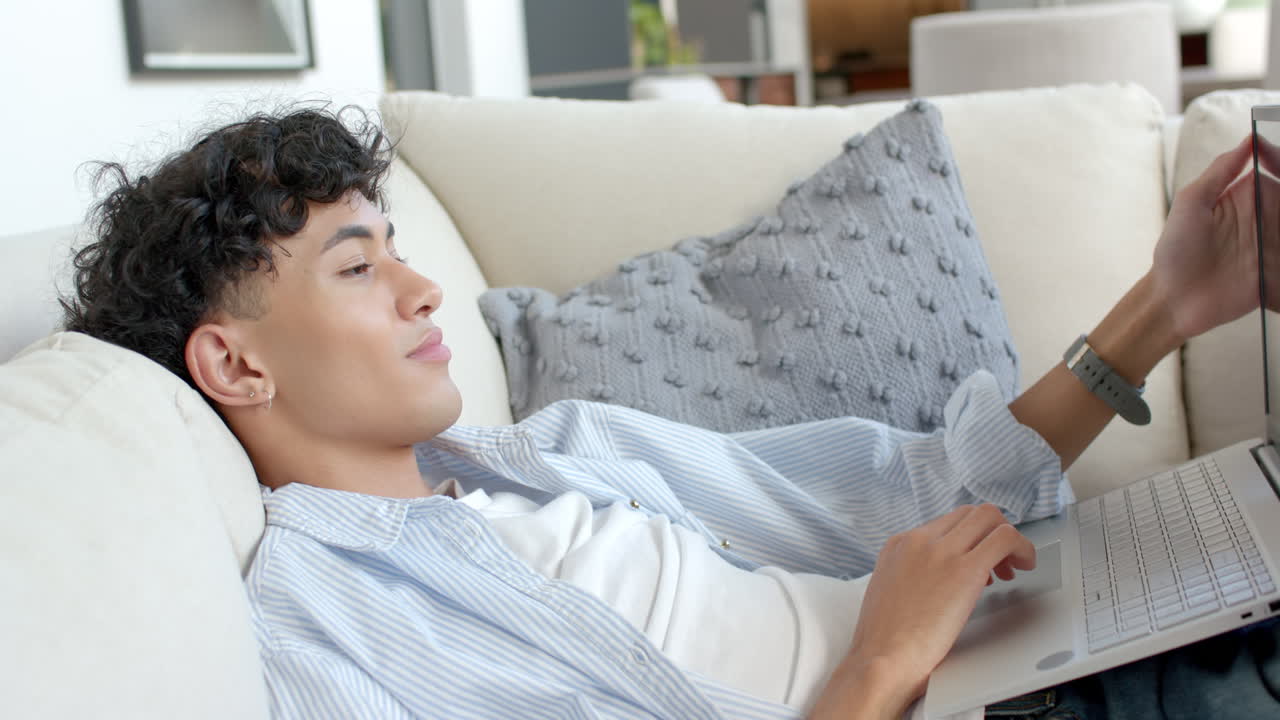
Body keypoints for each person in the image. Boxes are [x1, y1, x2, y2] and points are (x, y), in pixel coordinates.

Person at [61, 106, 1278, 720]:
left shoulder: (550, 458)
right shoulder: (318, 635)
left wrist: (1164, 308)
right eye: (356, 267)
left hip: (1020, 645)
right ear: (235, 368)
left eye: (397, 249)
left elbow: (921, 490)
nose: (424, 287)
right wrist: (879, 666)